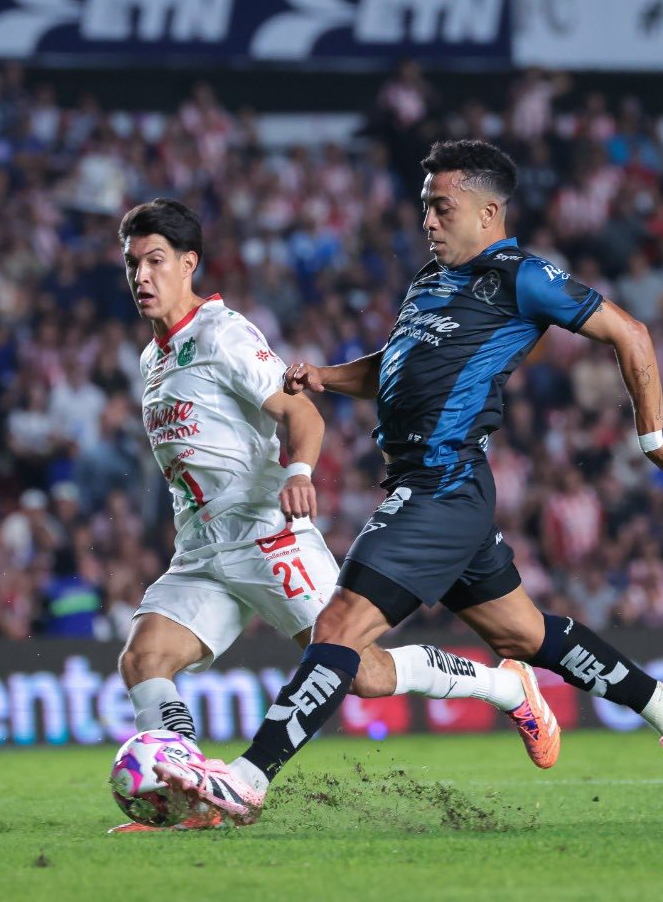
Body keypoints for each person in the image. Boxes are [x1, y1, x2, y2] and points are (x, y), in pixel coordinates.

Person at [158, 140, 663, 826]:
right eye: (425, 207)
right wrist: (327, 376)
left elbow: (632, 334)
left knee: (339, 625)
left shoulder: (523, 276)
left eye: (441, 207)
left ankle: (246, 780)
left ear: (488, 212)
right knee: (525, 637)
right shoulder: (429, 280)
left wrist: (652, 439)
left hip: (441, 484)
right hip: (441, 487)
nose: (427, 221)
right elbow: (395, 364)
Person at [112, 197, 559, 832]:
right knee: (143, 660)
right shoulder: (152, 358)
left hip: (267, 538)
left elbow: (302, 414)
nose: (142, 276)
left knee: (366, 674)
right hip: (203, 549)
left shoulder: (222, 334)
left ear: (189, 264)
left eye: (156, 261)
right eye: (133, 263)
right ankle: (188, 797)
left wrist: (298, 472)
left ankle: (507, 687)